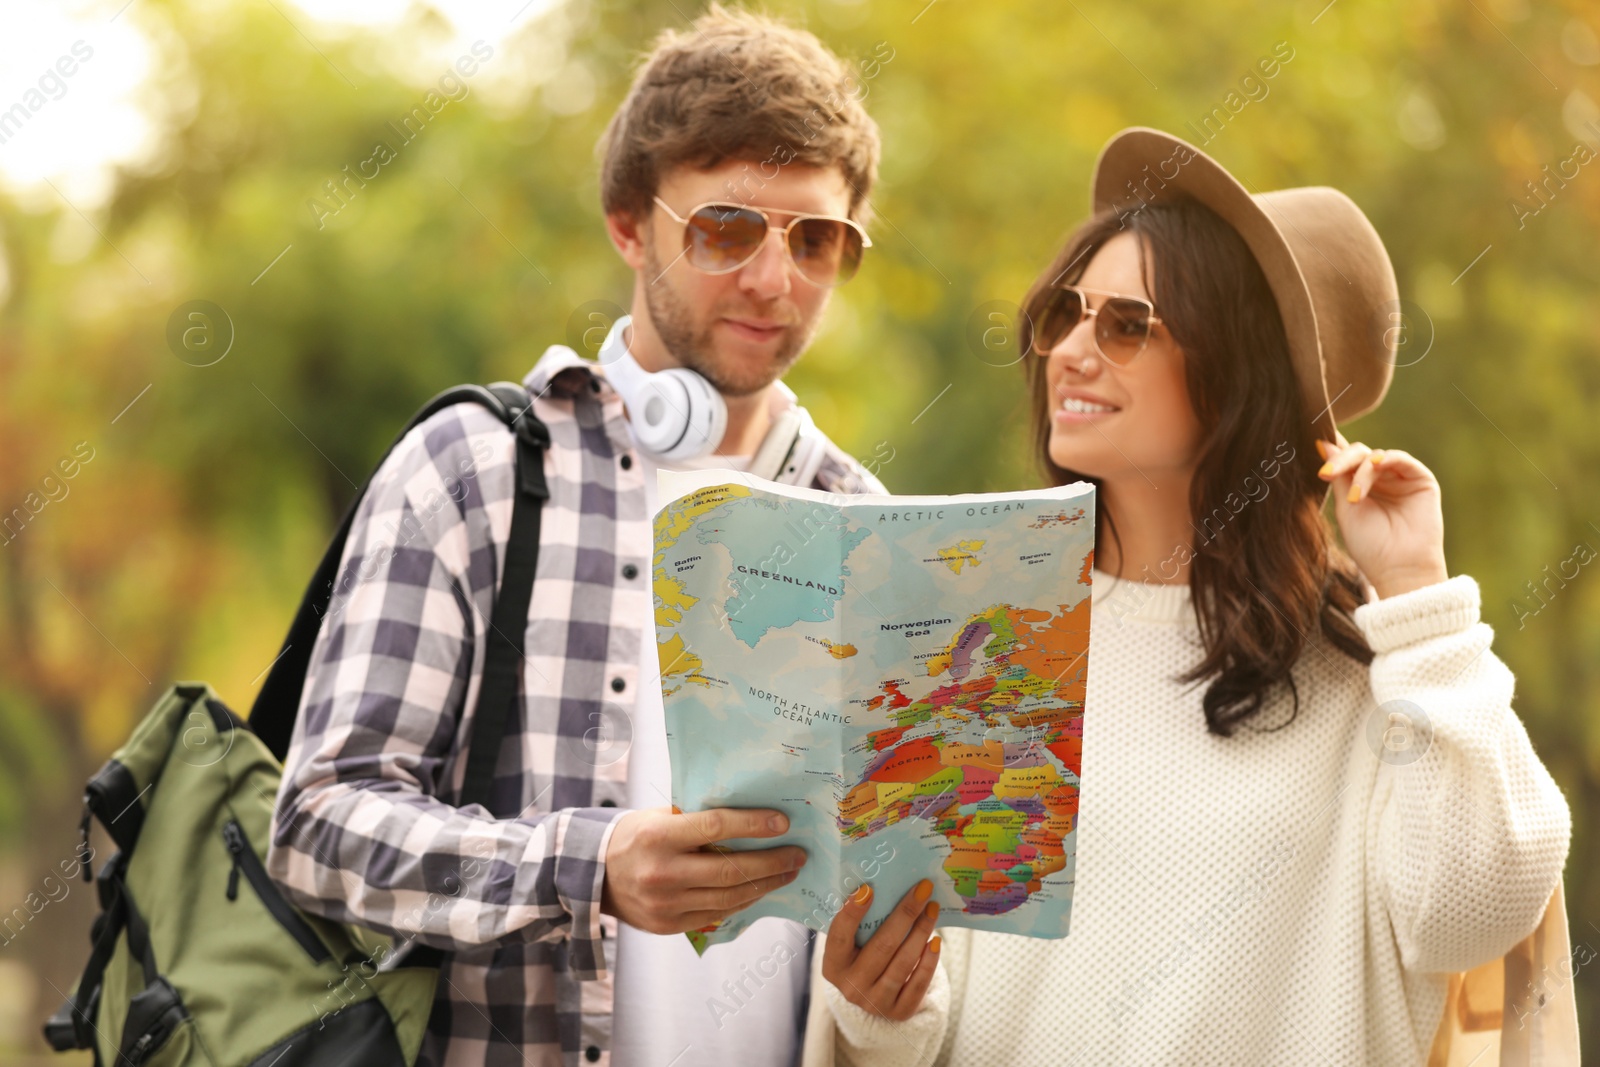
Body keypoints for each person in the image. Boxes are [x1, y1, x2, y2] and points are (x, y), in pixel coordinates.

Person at [802, 127, 1577, 1065]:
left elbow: (1474, 916)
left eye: (1127, 324)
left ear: (1237, 375)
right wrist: (884, 1008)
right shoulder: (976, 639)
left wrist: (1417, 591)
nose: (1073, 352)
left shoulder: (1385, 665)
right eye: (1066, 313)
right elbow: (927, 1015)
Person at [264, 7, 891, 1065]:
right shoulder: (474, 470)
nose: (774, 281)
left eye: (816, 239)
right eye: (726, 228)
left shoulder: (872, 526)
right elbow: (318, 823)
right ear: (627, 224)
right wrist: (585, 864)